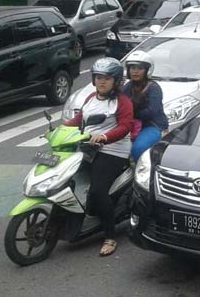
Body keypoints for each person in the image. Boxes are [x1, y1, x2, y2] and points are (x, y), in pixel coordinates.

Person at [64, 58, 133, 256]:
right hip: (87, 146)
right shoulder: (91, 98)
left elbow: (125, 126)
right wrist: (60, 128)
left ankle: (110, 237)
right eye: (99, 77)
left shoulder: (123, 102)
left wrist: (104, 137)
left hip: (112, 151)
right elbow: (79, 119)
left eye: (107, 78)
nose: (102, 81)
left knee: (97, 191)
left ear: (116, 80)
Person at [122, 50, 168, 160]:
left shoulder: (154, 88)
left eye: (140, 68)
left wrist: (132, 113)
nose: (135, 72)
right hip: (131, 124)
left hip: (152, 125)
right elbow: (121, 106)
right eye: (133, 68)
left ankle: (141, 173)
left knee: (138, 148)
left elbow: (152, 111)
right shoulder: (128, 86)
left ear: (147, 70)